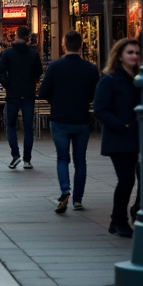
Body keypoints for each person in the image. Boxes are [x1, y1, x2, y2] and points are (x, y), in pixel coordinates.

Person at [39, 30, 99, 213]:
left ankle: (65, 190)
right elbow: (95, 93)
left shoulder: (55, 67)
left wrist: (56, 101)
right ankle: (78, 199)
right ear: (81, 46)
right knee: (80, 160)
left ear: (64, 45)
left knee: (62, 158)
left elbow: (43, 92)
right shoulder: (90, 68)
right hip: (81, 118)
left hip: (59, 118)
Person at [94, 38, 142, 237]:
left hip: (138, 136)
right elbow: (100, 110)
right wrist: (123, 125)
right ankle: (119, 220)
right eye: (130, 52)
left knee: (140, 179)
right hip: (120, 138)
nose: (134, 56)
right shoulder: (110, 79)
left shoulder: (140, 78)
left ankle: (126, 216)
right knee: (126, 180)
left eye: (137, 53)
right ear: (120, 56)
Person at [0, 26, 43, 170]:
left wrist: (7, 84)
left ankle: (15, 154)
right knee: (28, 127)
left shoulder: (7, 53)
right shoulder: (33, 53)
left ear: (16, 35)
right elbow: (39, 72)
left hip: (12, 94)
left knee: (11, 125)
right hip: (28, 94)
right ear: (28, 37)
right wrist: (32, 81)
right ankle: (27, 159)